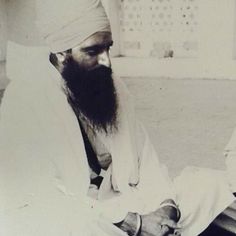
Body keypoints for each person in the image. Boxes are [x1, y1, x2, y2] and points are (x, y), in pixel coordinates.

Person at [0, 0, 235, 235]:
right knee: (75, 226)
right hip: (82, 214)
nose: (106, 62)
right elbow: (43, 195)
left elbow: (146, 160)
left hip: (128, 202)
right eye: (93, 51)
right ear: (62, 53)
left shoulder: (112, 86)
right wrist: (134, 223)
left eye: (108, 48)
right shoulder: (24, 99)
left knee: (208, 186)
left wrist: (165, 207)